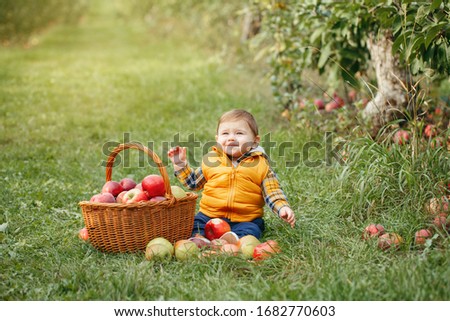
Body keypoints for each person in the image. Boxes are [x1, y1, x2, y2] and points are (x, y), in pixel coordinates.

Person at [168, 109, 295, 239]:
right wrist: (180, 164)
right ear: (217, 139)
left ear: (255, 141)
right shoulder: (211, 160)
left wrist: (282, 208)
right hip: (209, 216)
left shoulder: (261, 165)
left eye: (239, 133)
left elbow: (272, 192)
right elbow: (193, 183)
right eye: (225, 133)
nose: (231, 138)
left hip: (245, 220)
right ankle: (200, 241)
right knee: (194, 225)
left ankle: (232, 242)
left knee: (251, 231)